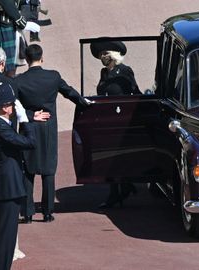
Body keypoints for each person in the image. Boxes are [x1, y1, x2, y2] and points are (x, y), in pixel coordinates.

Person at [15, 44, 91, 223]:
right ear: (42, 58)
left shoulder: (19, 81)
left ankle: (27, 213)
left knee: (28, 171)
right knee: (48, 171)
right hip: (48, 128)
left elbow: (14, 107)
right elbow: (69, 92)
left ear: (26, 60)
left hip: (29, 127)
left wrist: (32, 115)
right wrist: (84, 103)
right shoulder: (53, 77)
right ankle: (48, 212)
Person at [0, 82, 36, 270]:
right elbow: (30, 142)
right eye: (11, 104)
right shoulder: (1, 128)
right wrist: (24, 121)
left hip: (4, 188)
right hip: (7, 191)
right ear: (5, 107)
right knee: (4, 240)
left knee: (3, 239)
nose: (13, 107)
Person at [90, 39, 139, 208]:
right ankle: (120, 189)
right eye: (100, 54)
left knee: (120, 157)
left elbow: (134, 92)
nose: (102, 56)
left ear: (113, 54)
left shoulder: (125, 71)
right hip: (107, 120)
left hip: (122, 120)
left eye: (105, 53)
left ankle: (122, 188)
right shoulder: (104, 73)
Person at [0, 45, 50, 123]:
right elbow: (15, 107)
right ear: (2, 63)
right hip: (4, 126)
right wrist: (31, 115)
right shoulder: (9, 82)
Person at [0, 0, 40, 77]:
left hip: (11, 22)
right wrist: (22, 23)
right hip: (3, 23)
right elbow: (6, 2)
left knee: (12, 65)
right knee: (2, 66)